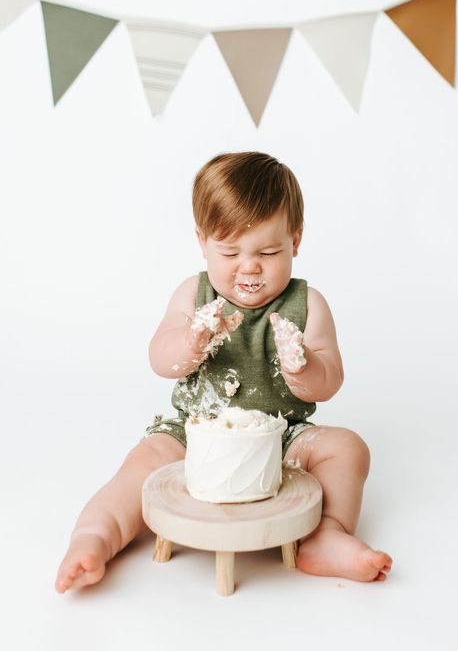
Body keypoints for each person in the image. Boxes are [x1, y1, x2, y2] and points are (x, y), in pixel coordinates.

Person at [55, 151, 392, 593]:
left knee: (347, 448)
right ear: (202, 242)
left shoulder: (307, 304)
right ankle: (95, 535)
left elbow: (331, 380)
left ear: (296, 238)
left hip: (280, 436)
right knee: (143, 464)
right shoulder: (192, 295)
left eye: (269, 251)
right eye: (230, 251)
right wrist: (190, 342)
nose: (249, 266)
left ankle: (327, 533)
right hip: (194, 431)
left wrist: (304, 367)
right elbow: (159, 357)